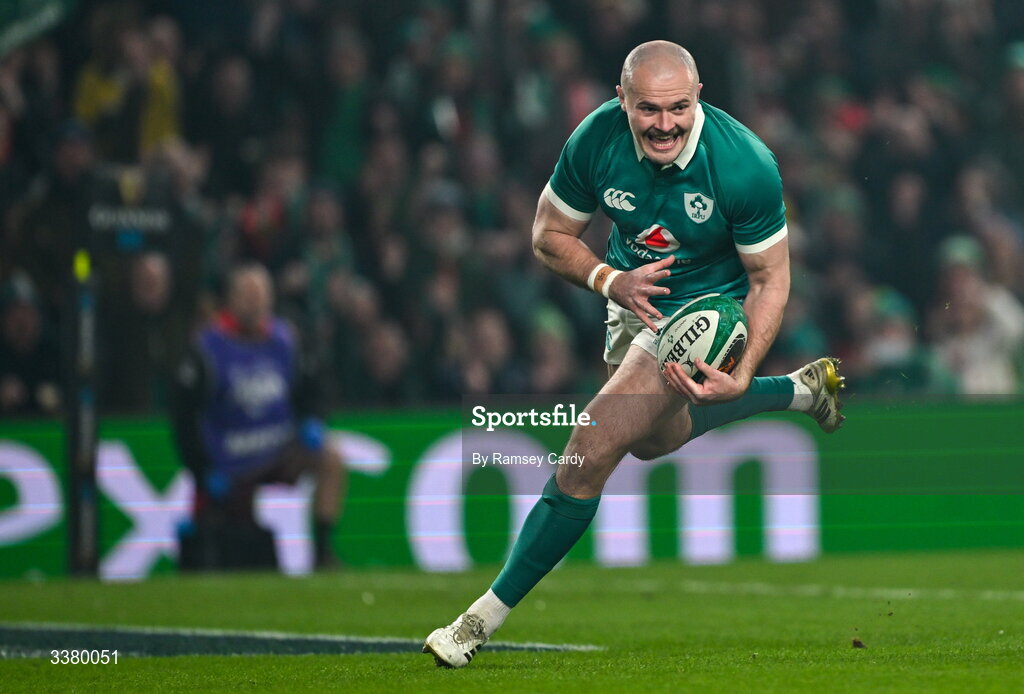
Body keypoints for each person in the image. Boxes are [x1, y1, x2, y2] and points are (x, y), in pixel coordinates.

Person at [423, 41, 846, 668]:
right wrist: (609, 281)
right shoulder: (596, 140)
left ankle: (477, 622)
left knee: (587, 452)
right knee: (649, 439)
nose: (666, 124)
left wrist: (744, 367)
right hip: (631, 295)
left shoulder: (745, 164)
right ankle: (799, 391)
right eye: (649, 109)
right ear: (621, 100)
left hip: (709, 308)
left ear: (698, 97)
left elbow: (770, 281)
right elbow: (547, 235)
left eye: (678, 108)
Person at [171, 263, 345, 570]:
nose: (255, 302)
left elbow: (315, 388)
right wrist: (203, 468)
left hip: (277, 448)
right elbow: (184, 418)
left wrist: (313, 419)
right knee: (227, 529)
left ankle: (322, 551)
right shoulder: (206, 348)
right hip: (228, 458)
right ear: (231, 299)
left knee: (332, 456)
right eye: (247, 295)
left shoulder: (286, 340)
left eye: (261, 294)